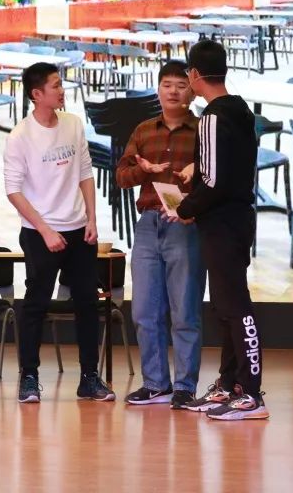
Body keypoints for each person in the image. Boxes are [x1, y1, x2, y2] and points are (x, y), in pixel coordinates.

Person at [3, 62, 114, 404]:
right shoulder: (20, 136)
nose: (62, 90)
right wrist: (45, 229)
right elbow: (13, 191)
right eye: (55, 86)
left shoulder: (73, 124)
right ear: (37, 94)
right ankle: (29, 378)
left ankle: (89, 378)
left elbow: (85, 173)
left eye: (61, 84)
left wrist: (91, 218)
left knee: (87, 303)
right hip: (40, 233)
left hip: (79, 230)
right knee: (35, 304)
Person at [173, 39, 269, 421]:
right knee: (226, 307)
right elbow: (224, 169)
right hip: (237, 220)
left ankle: (251, 394)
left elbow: (213, 182)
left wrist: (185, 208)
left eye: (187, 75)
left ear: (195, 74)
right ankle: (230, 385)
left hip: (224, 224)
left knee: (235, 307)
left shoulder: (212, 117)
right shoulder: (240, 110)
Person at [115, 61, 204, 410]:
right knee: (144, 310)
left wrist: (197, 172)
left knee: (185, 310)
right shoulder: (143, 130)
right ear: (158, 89)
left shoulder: (203, 131)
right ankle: (155, 384)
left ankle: (184, 387)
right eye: (167, 85)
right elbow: (122, 176)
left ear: (192, 91)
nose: (173, 92)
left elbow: (219, 176)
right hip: (149, 223)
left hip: (186, 224)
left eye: (181, 85)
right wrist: (144, 171)